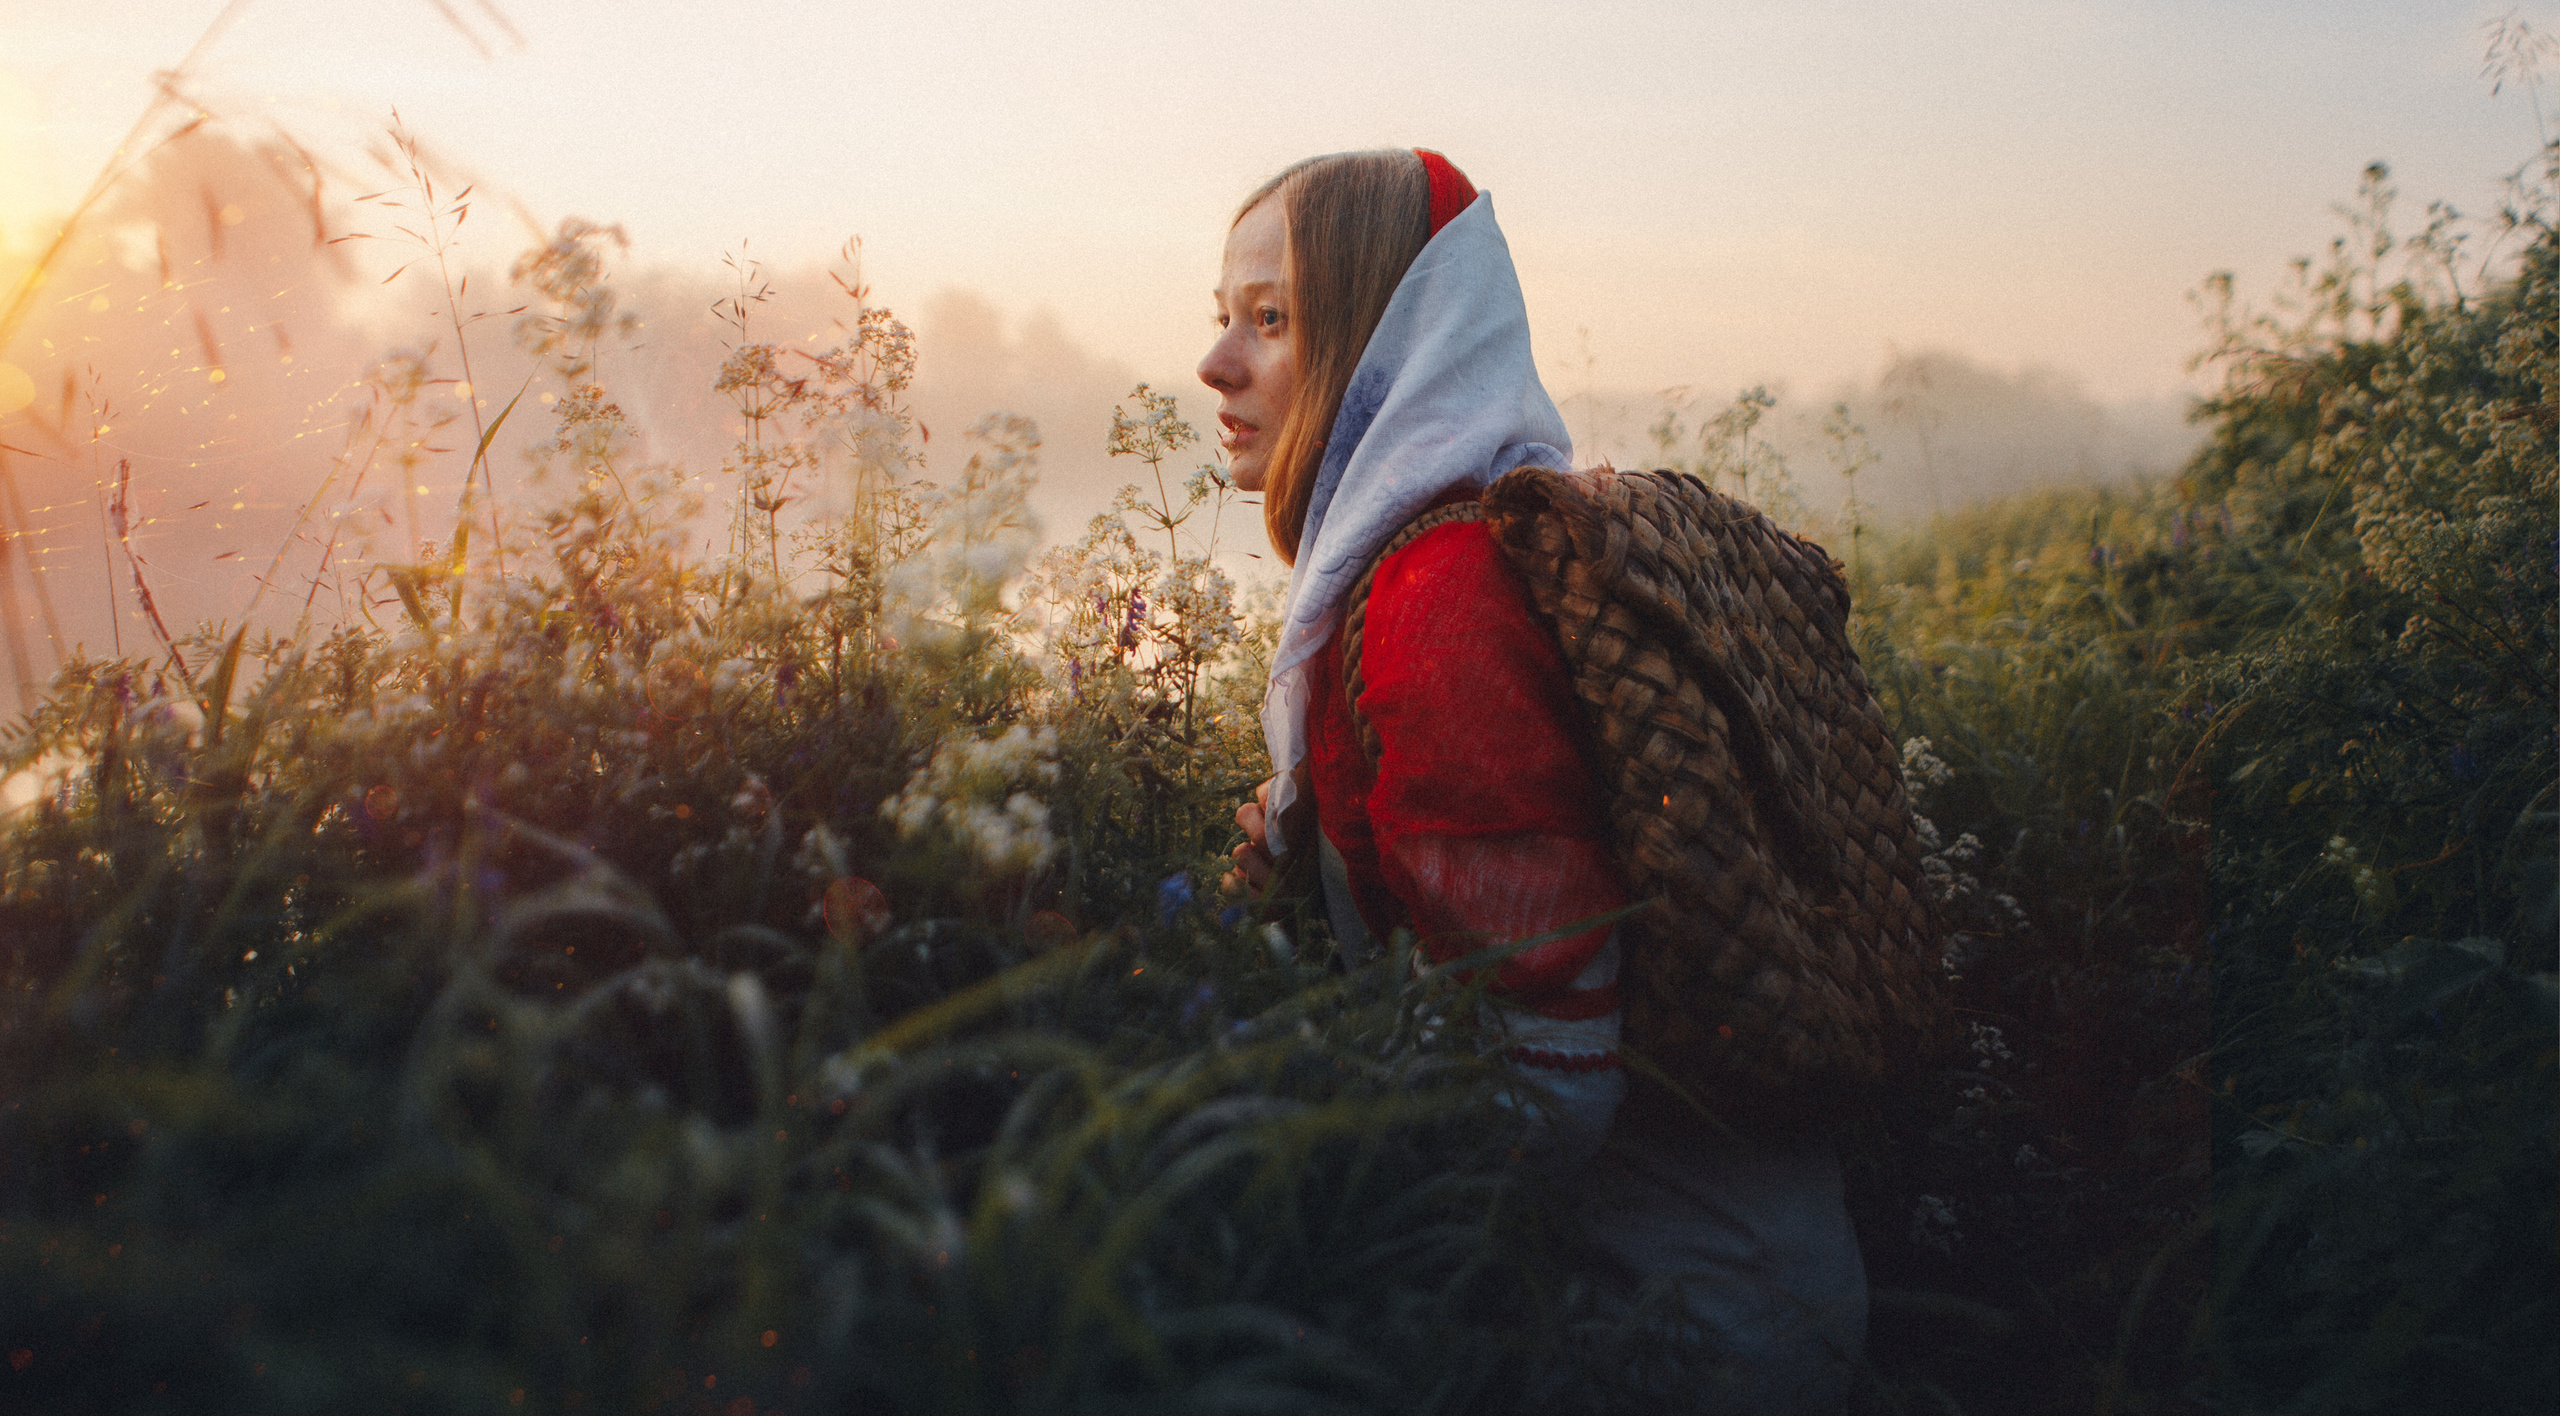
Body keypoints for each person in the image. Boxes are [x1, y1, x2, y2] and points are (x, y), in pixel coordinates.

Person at [1203, 149, 1868, 1414]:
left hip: (1668, 1327)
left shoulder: (1435, 599)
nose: (1218, 363)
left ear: (1387, 335)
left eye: (1273, 319)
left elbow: (1539, 1075)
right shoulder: (1452, 545)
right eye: (1221, 317)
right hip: (1712, 1286)